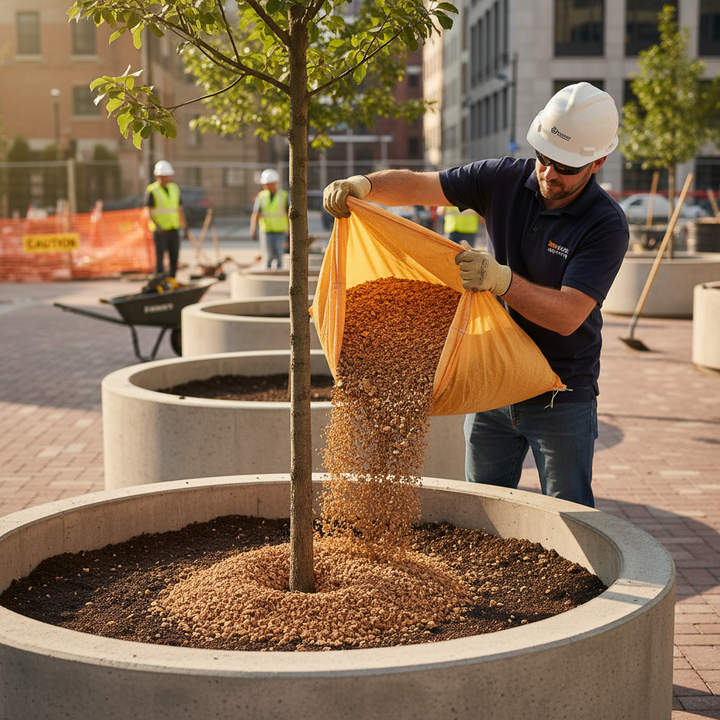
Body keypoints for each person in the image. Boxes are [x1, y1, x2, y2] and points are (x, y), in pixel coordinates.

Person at [323, 82, 629, 508]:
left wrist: (502, 281)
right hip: (491, 377)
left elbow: (568, 315)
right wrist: (363, 185)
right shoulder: (503, 178)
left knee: (572, 513)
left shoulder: (605, 225)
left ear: (597, 162)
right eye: (543, 157)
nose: (548, 173)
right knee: (480, 510)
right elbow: (417, 186)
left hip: (562, 392)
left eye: (564, 166)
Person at [144, 160, 188, 278]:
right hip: (160, 231)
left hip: (173, 228)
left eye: (168, 176)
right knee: (160, 259)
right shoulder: (152, 190)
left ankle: (172, 280)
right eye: (164, 176)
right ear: (158, 176)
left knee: (174, 257)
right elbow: (148, 211)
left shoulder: (175, 188)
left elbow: (179, 209)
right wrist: (157, 226)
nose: (167, 179)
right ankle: (159, 281)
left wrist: (185, 227)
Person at [250, 169, 289, 269]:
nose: (268, 186)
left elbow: (289, 214)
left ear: (275, 183)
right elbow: (256, 214)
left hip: (280, 231)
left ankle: (279, 274)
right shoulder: (261, 196)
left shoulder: (283, 195)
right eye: (266, 184)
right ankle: (267, 272)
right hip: (266, 231)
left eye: (270, 184)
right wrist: (253, 228)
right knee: (267, 255)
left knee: (279, 256)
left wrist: (289, 229)